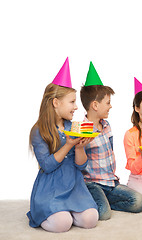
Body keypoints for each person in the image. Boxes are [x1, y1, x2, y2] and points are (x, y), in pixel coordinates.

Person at [27, 72, 98, 233]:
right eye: (72, 102)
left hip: (74, 185)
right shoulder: (39, 131)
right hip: (51, 187)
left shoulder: (73, 128)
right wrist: (68, 145)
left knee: (91, 219)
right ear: (56, 102)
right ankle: (55, 212)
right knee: (62, 223)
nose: (76, 107)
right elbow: (47, 166)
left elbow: (81, 166)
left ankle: (68, 210)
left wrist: (79, 147)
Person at [80, 62, 142, 220]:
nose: (110, 106)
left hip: (110, 182)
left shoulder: (106, 126)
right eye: (108, 103)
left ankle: (108, 201)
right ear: (95, 105)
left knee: (139, 202)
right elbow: (78, 163)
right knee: (103, 215)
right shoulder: (82, 130)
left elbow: (110, 151)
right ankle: (99, 203)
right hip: (92, 184)